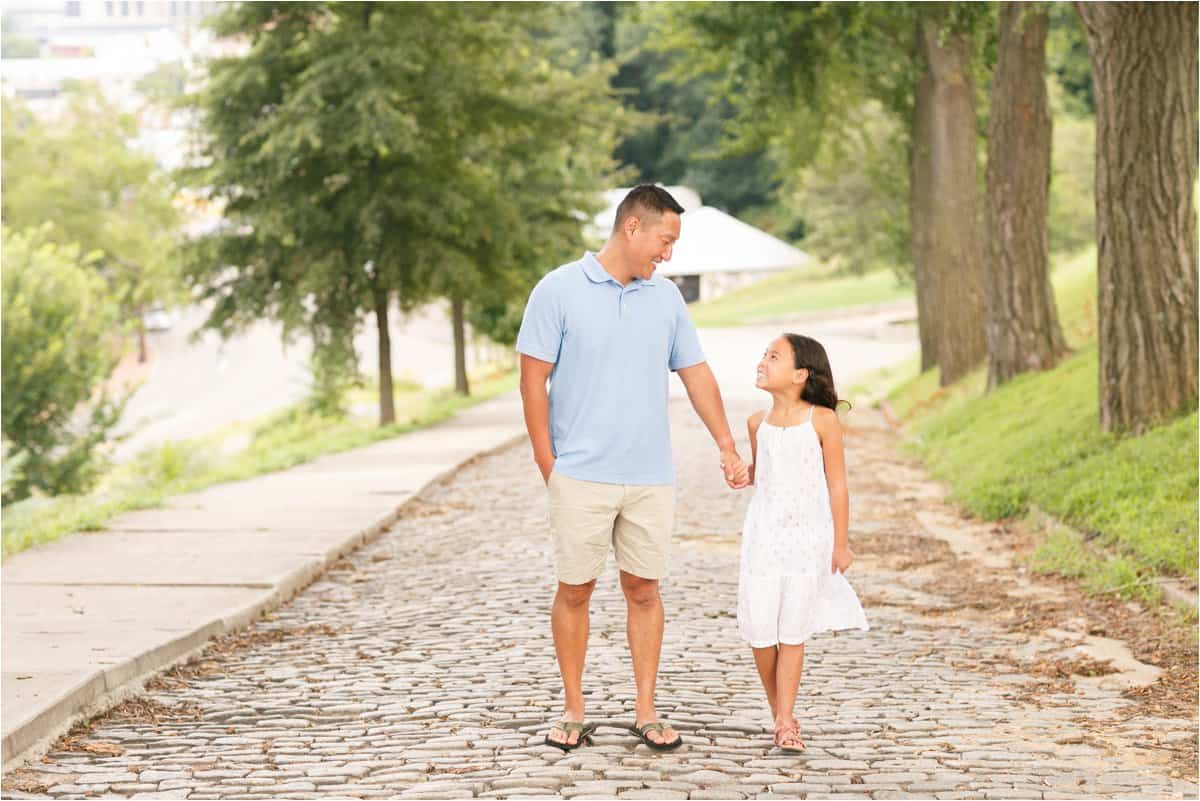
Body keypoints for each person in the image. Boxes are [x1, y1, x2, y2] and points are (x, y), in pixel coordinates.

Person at [516, 184, 750, 752]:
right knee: (575, 589)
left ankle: (646, 709)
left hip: (649, 475)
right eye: (665, 241)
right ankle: (574, 709)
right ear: (633, 228)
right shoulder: (558, 291)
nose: (668, 254)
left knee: (644, 589)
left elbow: (696, 373)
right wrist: (552, 466)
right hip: (581, 474)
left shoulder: (665, 299)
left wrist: (725, 442)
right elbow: (532, 384)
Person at [737, 333, 869, 752]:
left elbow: (838, 484)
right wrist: (743, 472)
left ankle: (785, 721)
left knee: (792, 629)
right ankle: (782, 713)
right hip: (762, 536)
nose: (763, 361)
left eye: (773, 357)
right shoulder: (757, 423)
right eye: (764, 355)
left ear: (799, 374)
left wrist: (841, 543)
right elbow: (764, 474)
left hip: (807, 537)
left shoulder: (822, 421)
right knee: (761, 630)